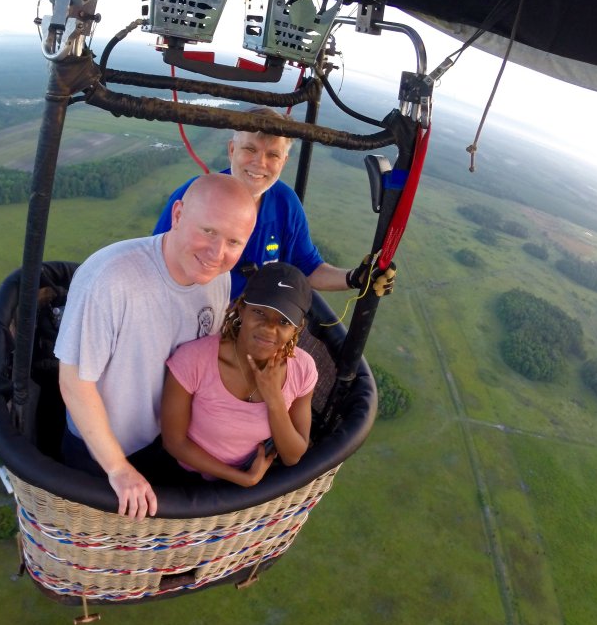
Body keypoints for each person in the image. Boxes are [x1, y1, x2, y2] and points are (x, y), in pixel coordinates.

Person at [54, 172, 258, 519]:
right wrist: (117, 468)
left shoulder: (218, 278)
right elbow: (74, 381)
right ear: (177, 215)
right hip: (99, 452)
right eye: (207, 231)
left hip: (165, 440)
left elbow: (205, 361)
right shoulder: (111, 278)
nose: (216, 253)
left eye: (234, 242)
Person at [153, 105, 395, 298]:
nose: (260, 163)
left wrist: (355, 278)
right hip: (192, 317)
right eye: (250, 149)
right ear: (231, 150)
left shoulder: (285, 203)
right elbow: (159, 266)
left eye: (272, 155)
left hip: (250, 325)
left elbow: (308, 267)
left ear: (284, 161)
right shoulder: (196, 195)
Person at [161, 262, 317, 487]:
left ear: (298, 328)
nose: (269, 328)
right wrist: (241, 478)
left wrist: (274, 398)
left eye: (284, 321)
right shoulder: (194, 360)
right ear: (242, 308)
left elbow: (293, 455)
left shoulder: (302, 369)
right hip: (187, 480)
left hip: (249, 476)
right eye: (259, 312)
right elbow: (173, 442)